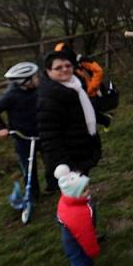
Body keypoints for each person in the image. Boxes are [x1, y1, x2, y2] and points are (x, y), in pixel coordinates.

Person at [37, 51, 102, 193]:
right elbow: (49, 138)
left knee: (83, 193)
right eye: (58, 68)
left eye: (67, 65)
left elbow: (83, 113)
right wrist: (68, 166)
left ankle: (86, 211)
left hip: (81, 148)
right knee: (75, 196)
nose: (65, 69)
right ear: (48, 71)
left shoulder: (75, 86)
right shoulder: (50, 98)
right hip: (69, 158)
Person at [0, 62, 42, 199]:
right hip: (23, 137)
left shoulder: (38, 90)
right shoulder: (11, 95)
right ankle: (33, 194)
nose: (38, 79)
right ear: (25, 81)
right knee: (28, 167)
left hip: (42, 132)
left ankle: (54, 186)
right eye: (34, 77)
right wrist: (0, 128)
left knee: (52, 160)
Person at [55, 164, 100, 266]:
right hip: (76, 242)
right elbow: (86, 235)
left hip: (71, 238)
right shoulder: (79, 214)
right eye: (85, 190)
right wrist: (93, 250)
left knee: (83, 260)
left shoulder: (66, 200)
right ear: (75, 195)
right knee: (80, 263)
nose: (89, 191)